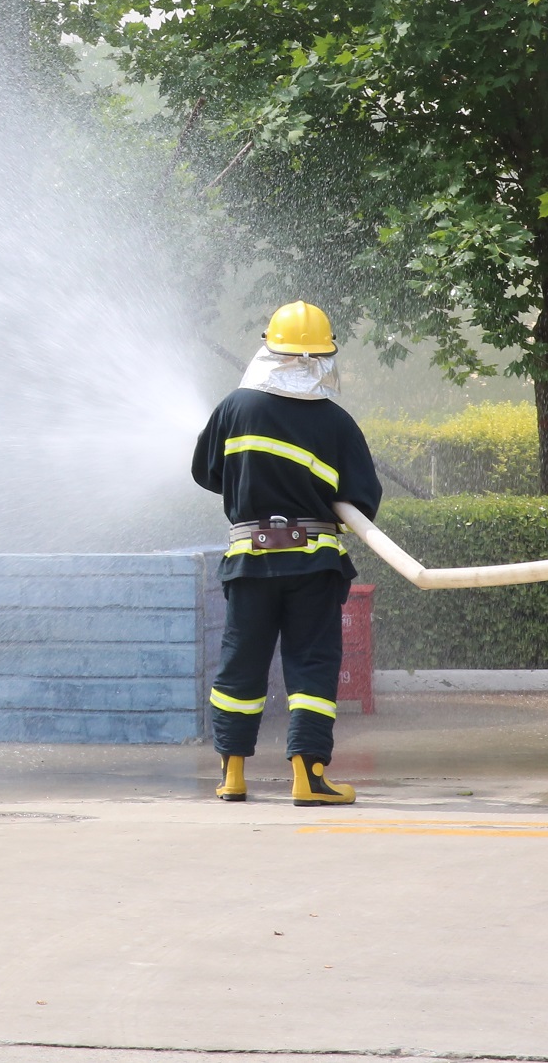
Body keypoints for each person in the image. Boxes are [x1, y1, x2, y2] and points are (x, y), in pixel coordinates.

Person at [192, 300, 383, 806]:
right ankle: (308, 777)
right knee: (312, 665)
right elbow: (363, 503)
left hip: (250, 560)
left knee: (241, 662)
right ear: (323, 359)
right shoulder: (337, 423)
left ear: (269, 349)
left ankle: (232, 775)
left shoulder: (235, 408)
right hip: (313, 564)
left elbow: (206, 472)